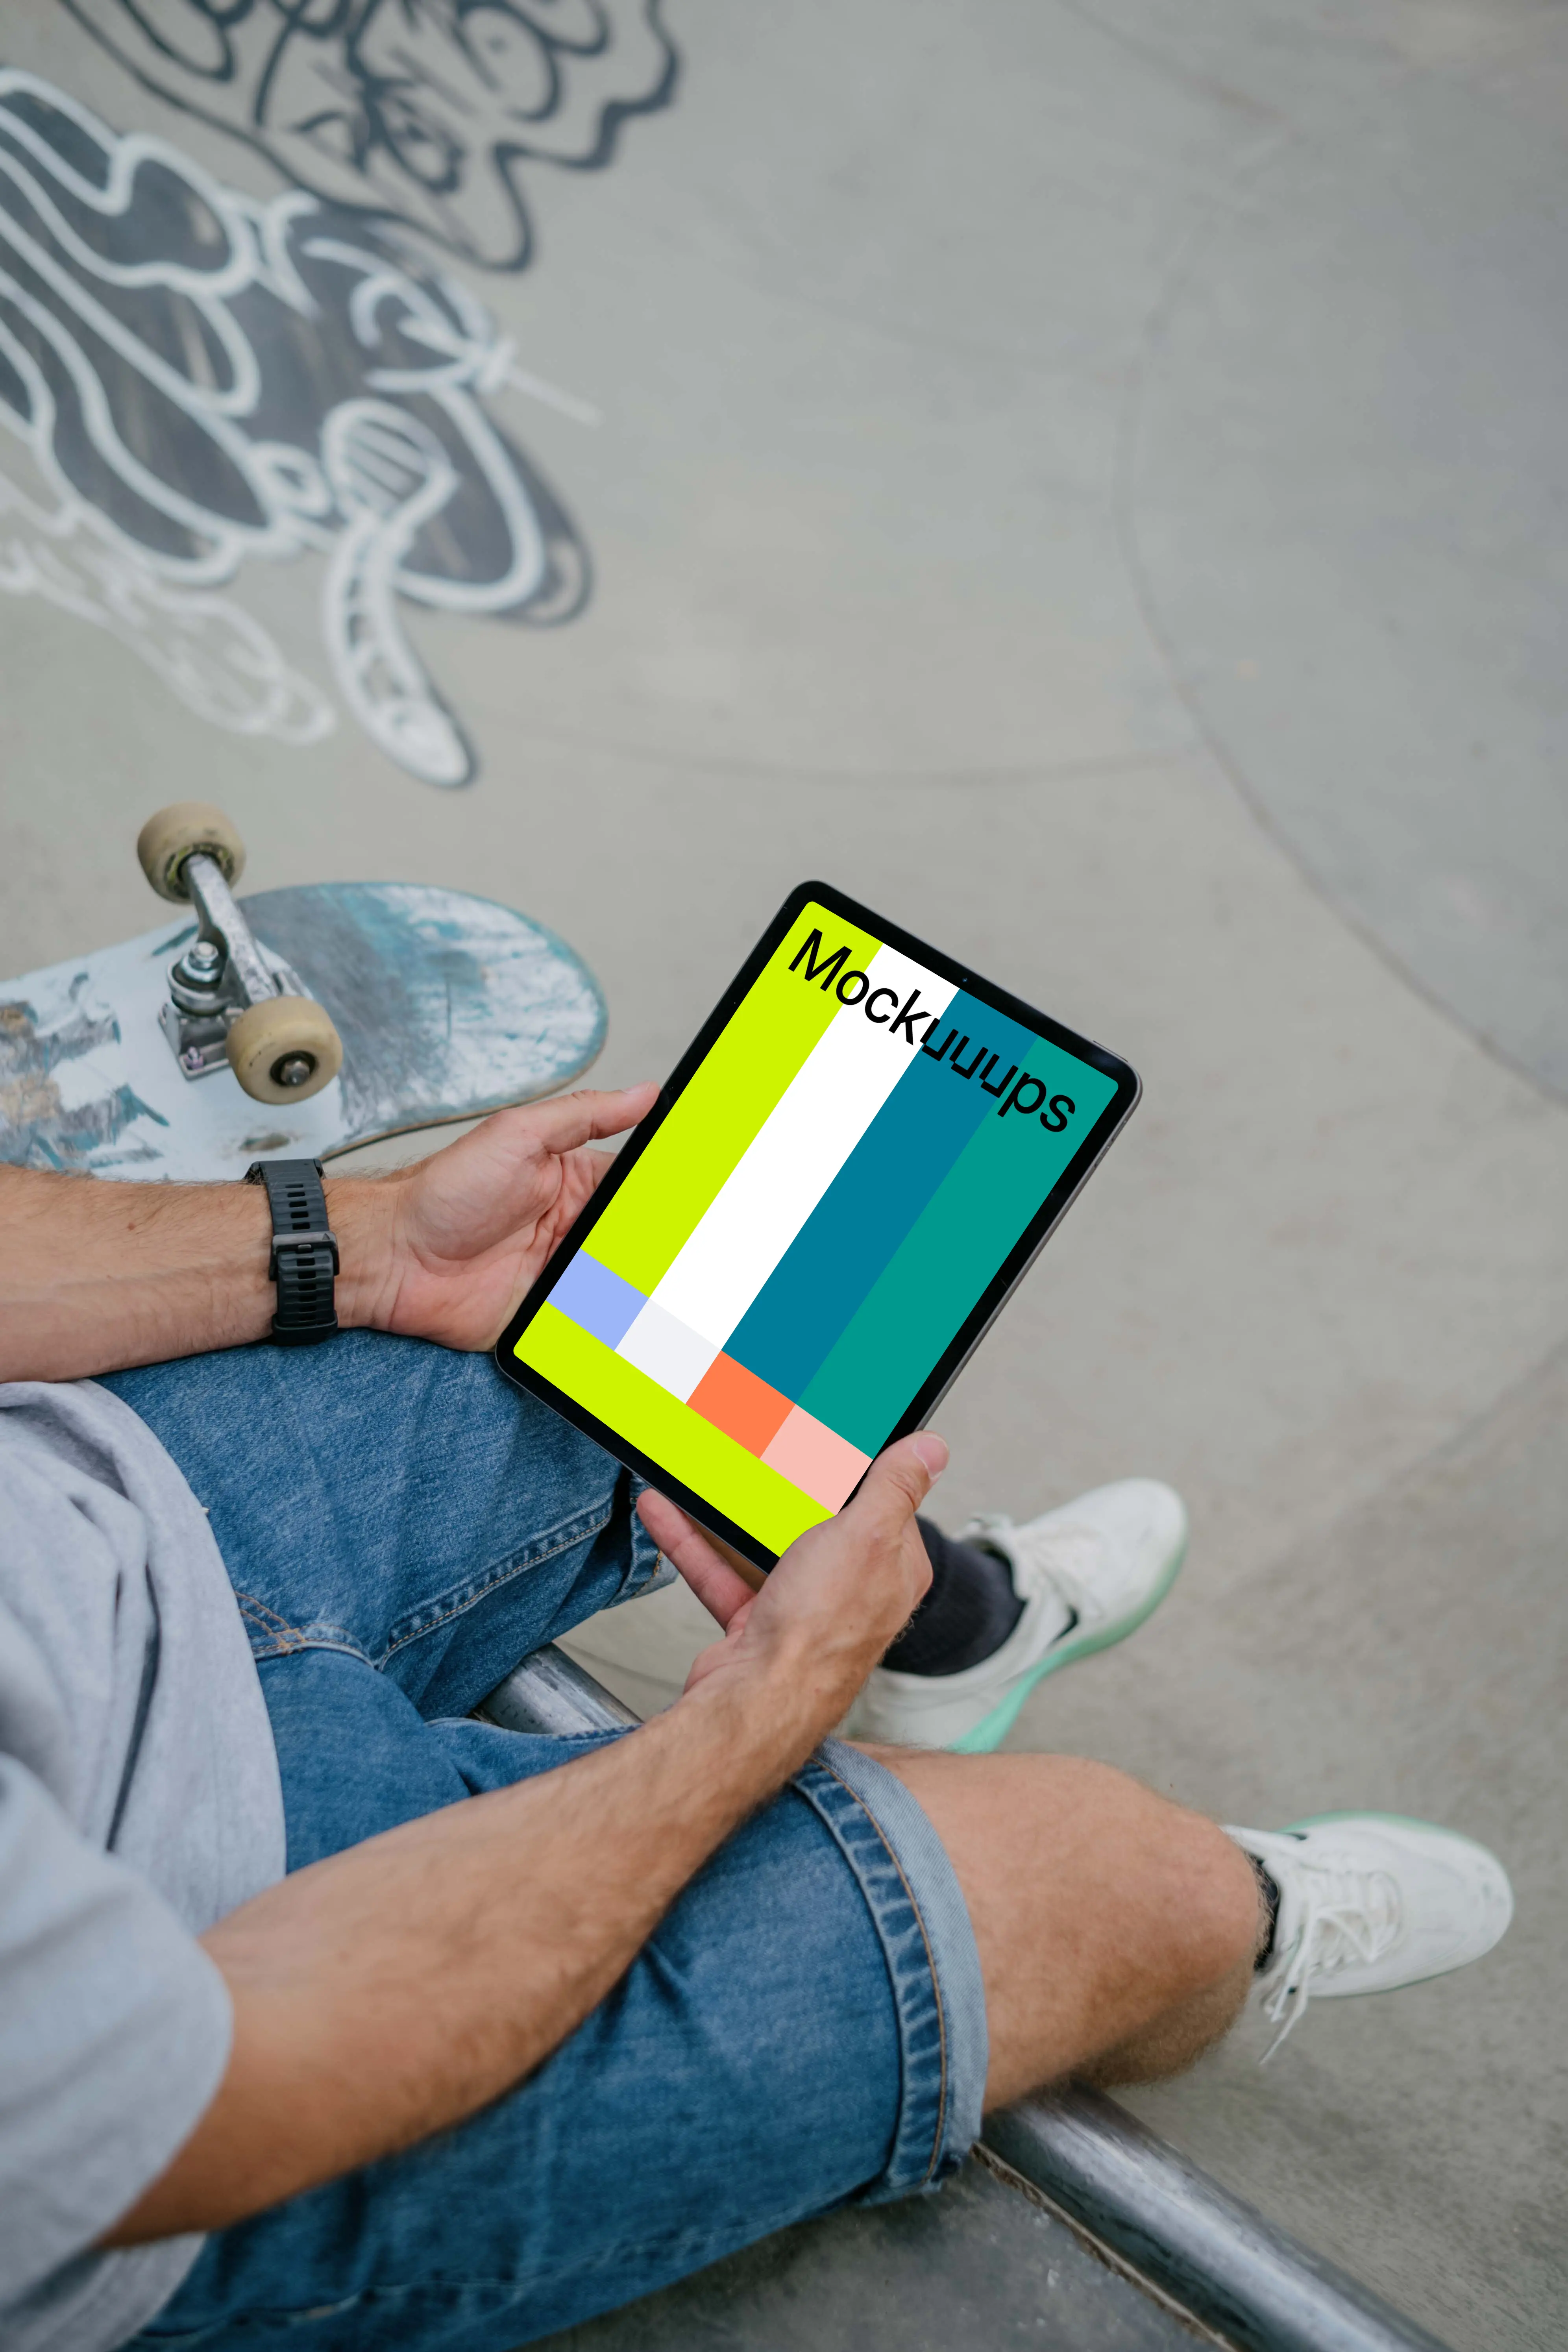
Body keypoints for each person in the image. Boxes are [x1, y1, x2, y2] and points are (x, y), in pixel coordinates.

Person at [0, 1089, 1513, 2352]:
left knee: (670, 1332)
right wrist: (766, 1711)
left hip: (74, 1534)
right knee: (1116, 1884)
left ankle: (950, 1632)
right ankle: (1234, 1915)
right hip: (193, 2035)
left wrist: (368, 1240)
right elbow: (224, 2072)